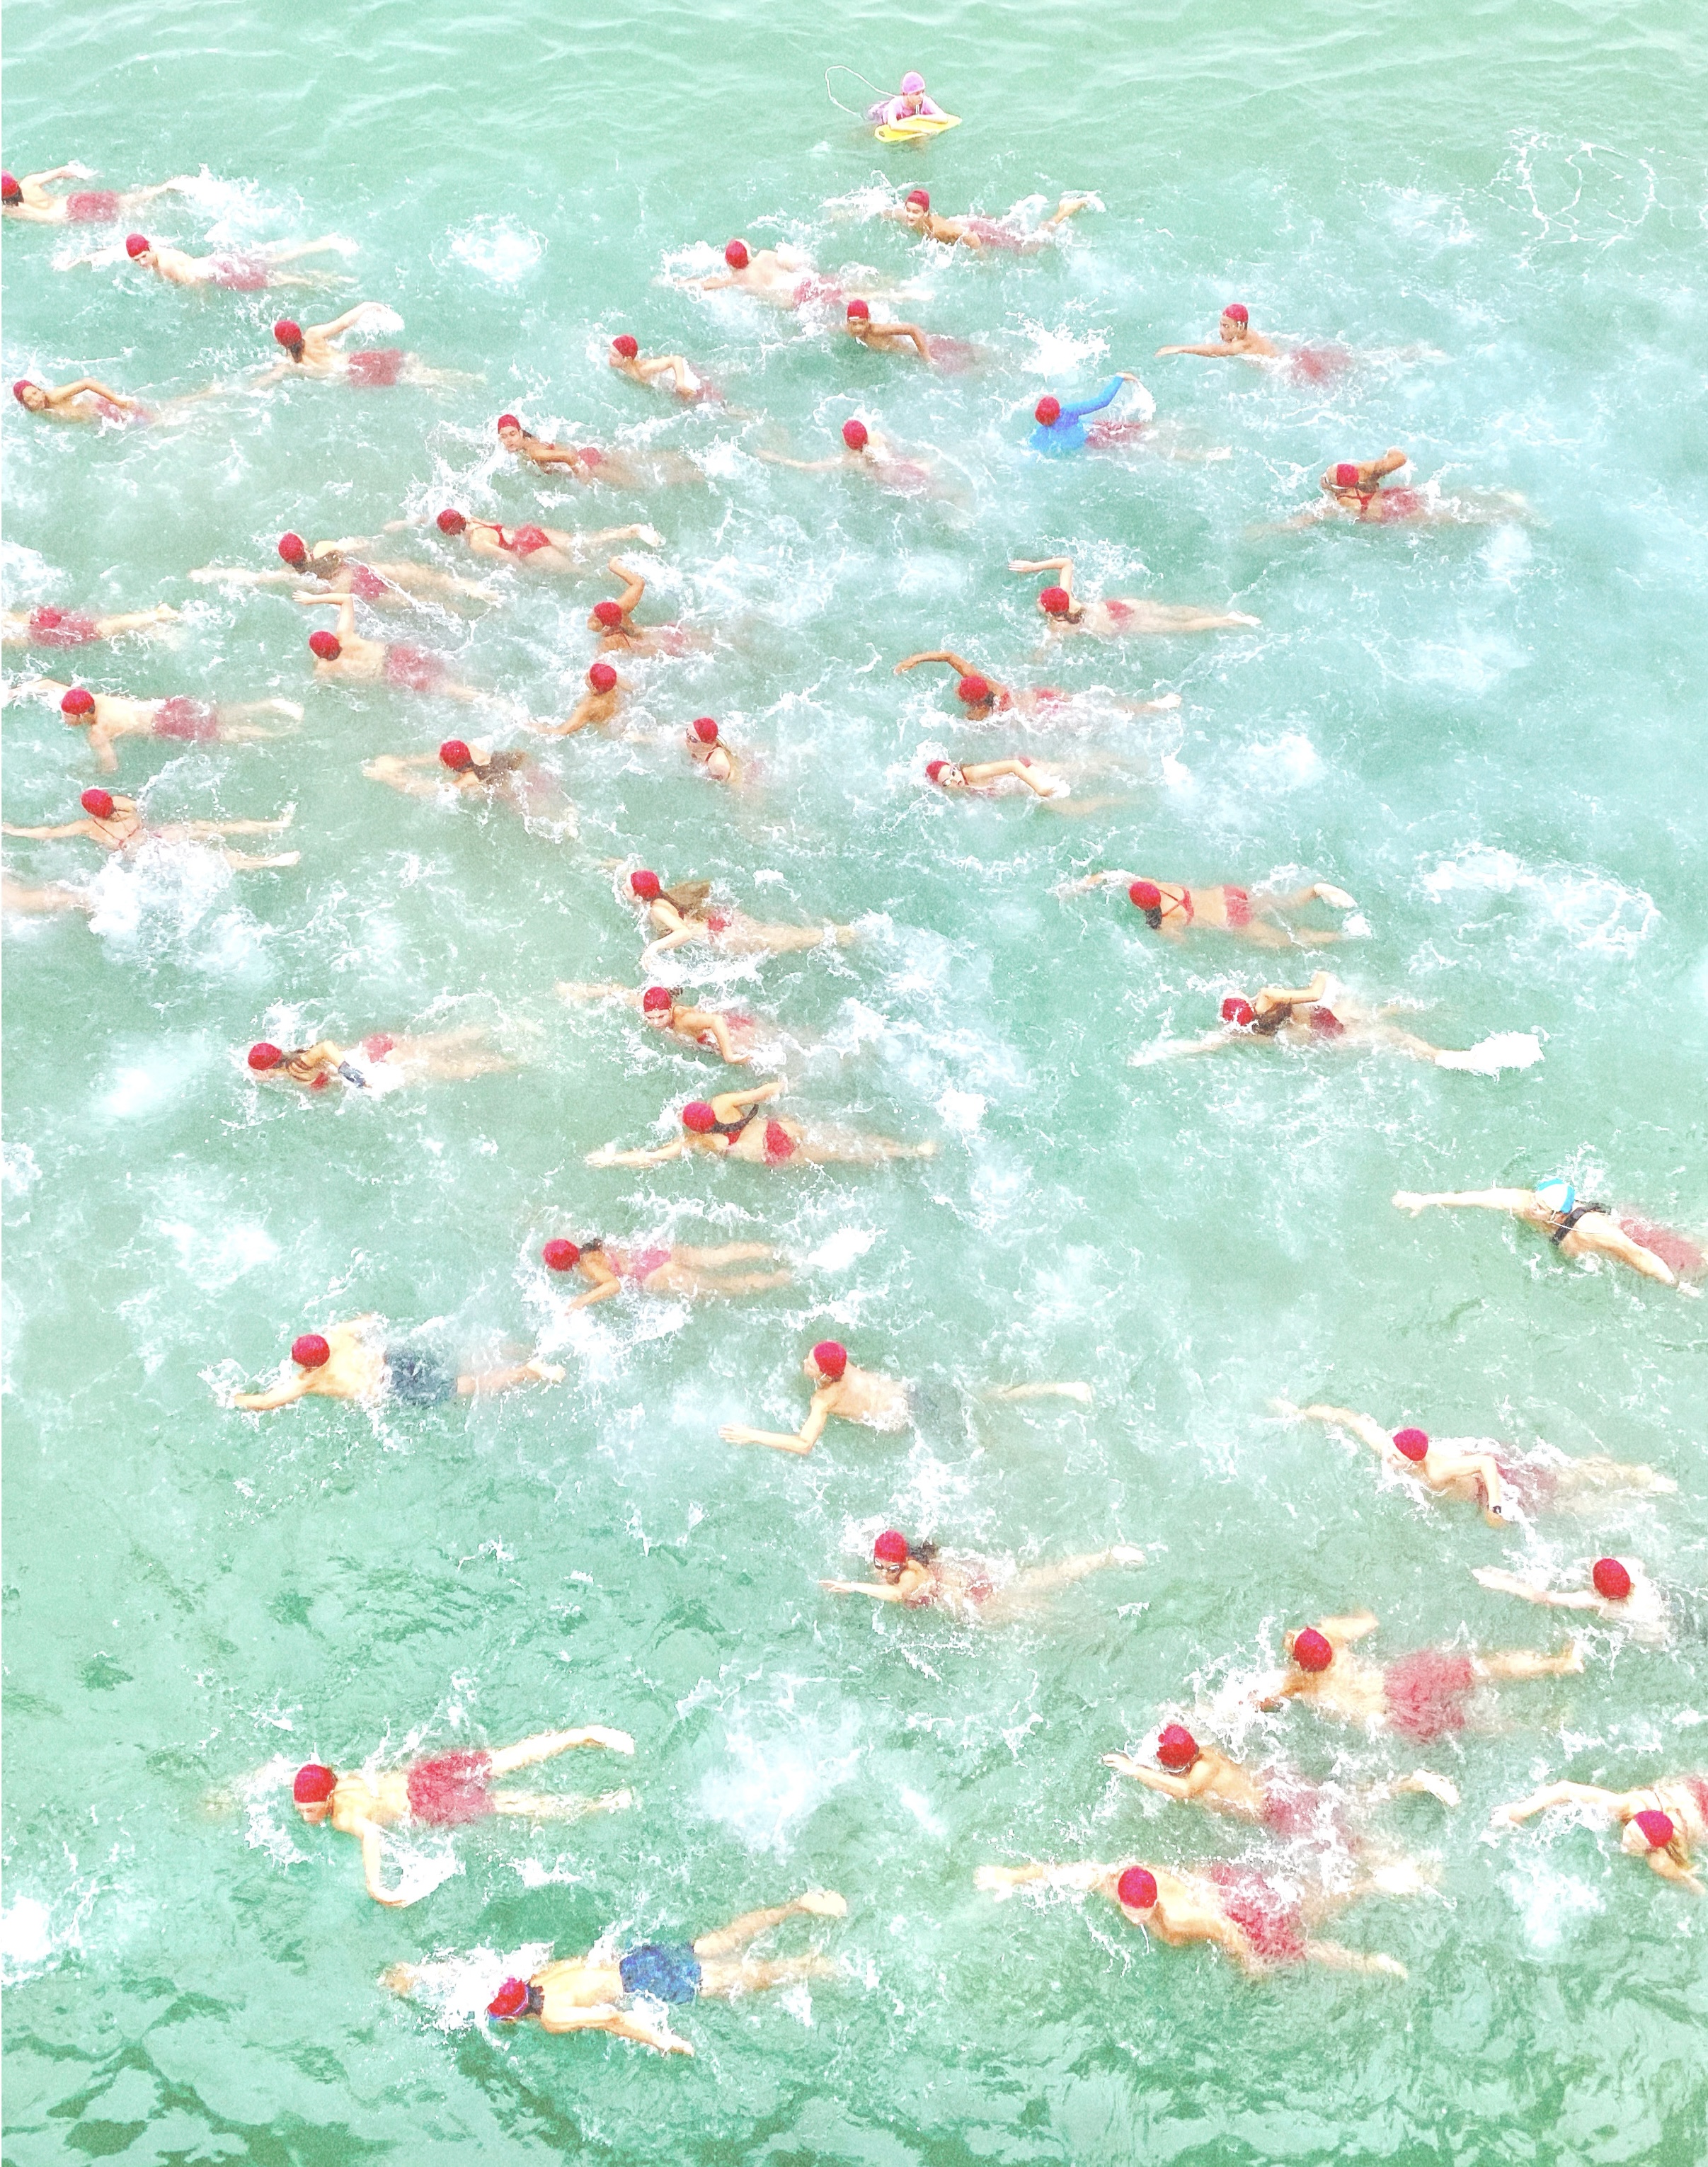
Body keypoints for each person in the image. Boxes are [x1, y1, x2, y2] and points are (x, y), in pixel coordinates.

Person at [385, 1889, 849, 2054]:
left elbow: (610, 2019)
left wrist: (662, 2039)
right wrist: (422, 1973)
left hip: (650, 1983)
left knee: (743, 1978)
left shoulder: (551, 2015)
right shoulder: (541, 1978)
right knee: (722, 1940)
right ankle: (795, 1906)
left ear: (511, 2017)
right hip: (635, 1959)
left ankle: (810, 1965)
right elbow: (482, 1968)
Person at [287, 1727, 636, 1906]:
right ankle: (581, 1735)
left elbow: (372, 1835)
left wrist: (374, 1885)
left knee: (509, 1804)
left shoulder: (340, 1819)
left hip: (426, 1803)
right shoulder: (344, 1780)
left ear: (328, 1798)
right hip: (422, 1775)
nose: (306, 1817)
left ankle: (598, 1806)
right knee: (506, 1759)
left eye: (310, 1809)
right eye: (301, 1810)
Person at [973, 1857, 1415, 1979]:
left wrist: (1251, 1967)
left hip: (1235, 1914)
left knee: (1300, 1946)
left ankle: (1369, 1962)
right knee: (1302, 1906)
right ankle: (1370, 1882)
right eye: (1128, 1906)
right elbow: (1065, 1872)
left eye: (1135, 1911)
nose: (1129, 1915)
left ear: (1147, 1906)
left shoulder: (1180, 1918)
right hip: (1226, 1885)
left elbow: (1226, 1931)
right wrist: (1012, 1877)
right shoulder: (1119, 1878)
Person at [1280, 1400, 1676, 1528]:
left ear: (1414, 1459)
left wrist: (1495, 1507)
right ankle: (1630, 1479)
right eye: (1392, 1451)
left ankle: (1636, 1482)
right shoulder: (1391, 1445)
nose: (1389, 1457)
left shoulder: (1435, 1471)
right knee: (1563, 1481)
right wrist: (1300, 1413)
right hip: (1481, 1474)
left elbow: (1486, 1463)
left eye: (1397, 1457)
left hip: (1499, 1482)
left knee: (1563, 1492)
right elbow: (1352, 1419)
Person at [1254, 1611, 1583, 1744]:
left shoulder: (1299, 1682)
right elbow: (1369, 1620)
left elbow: (1259, 1700)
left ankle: (1545, 1726)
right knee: (1482, 1667)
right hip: (1403, 1681)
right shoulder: (1336, 1645)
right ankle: (1559, 1664)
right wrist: (1329, 1623)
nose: (1292, 1631)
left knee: (1472, 1721)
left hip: (1396, 1715)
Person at [1105, 1724, 1458, 1839]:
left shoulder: (1199, 1774)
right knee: (1343, 1802)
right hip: (1274, 1787)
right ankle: (1410, 1783)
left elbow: (1183, 1791)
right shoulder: (1204, 1753)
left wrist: (1134, 1769)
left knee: (1347, 1817)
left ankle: (1413, 1783)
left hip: (1278, 1807)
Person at [1177, 972, 1542, 1071]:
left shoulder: (1251, 1033)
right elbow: (1316, 992)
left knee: (1377, 1023)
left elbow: (1212, 1042)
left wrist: (1166, 1052)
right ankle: (1443, 1055)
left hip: (1319, 1041)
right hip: (1325, 1018)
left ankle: (1425, 1030)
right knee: (1391, 1031)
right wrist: (1322, 972)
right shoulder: (1270, 996)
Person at [1391, 1177, 1702, 1287]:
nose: (1532, 1209)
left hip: (1634, 1242)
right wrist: (1425, 1200)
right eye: (1535, 1200)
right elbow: (1479, 1197)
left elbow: (1637, 1254)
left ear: (1559, 1213)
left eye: (1540, 1207)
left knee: (1692, 1260)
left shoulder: (1591, 1229)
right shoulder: (1526, 1202)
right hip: (1596, 1246)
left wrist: (1673, 1286)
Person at [226, 1315, 564, 1412]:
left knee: (466, 1387)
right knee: (454, 1361)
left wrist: (234, 1398)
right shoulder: (336, 1336)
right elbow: (369, 1321)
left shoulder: (309, 1381)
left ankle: (528, 1371)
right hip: (395, 1358)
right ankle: (518, 1350)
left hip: (393, 1386)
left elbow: (267, 1402)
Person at [589, 1084, 935, 1172]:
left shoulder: (698, 1143)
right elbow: (766, 1091)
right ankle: (909, 1148)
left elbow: (654, 1157)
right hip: (781, 1130)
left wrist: (614, 1158)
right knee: (844, 1139)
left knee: (841, 1155)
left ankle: (906, 1154)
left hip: (773, 1154)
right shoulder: (723, 1103)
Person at [823, 1526, 1145, 1622]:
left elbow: (896, 1595)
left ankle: (1102, 1617)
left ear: (904, 1563)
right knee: (1044, 1579)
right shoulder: (897, 1562)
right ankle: (1108, 1558)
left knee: (1045, 1613)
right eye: (878, 1566)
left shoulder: (908, 1576)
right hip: (971, 1580)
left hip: (977, 1600)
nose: (882, 1573)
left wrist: (850, 1586)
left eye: (889, 1568)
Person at [13, 676, 301, 773]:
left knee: (226, 734)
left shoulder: (98, 732)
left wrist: (87, 772)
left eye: (67, 715)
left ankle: (277, 734)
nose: (64, 718)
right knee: (223, 713)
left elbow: (110, 767)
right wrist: (15, 692)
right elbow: (49, 684)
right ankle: (272, 704)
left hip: (166, 726)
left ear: (82, 716)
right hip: (164, 705)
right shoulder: (91, 699)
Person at [1488, 1774, 1707, 1892]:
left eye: (1635, 1842)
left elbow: (1691, 1883)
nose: (1626, 1841)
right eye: (1630, 1833)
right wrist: (1520, 1811)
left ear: (1651, 1848)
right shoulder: (1624, 1806)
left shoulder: (1660, 1860)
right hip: (1693, 1790)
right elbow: (1565, 1789)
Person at [4, 787, 298, 871]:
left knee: (216, 859)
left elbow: (49, 833)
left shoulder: (89, 827)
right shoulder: (122, 805)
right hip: (159, 833)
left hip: (147, 854)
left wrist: (14, 831)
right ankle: (273, 825)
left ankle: (272, 861)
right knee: (214, 828)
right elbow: (139, 803)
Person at [624, 867, 855, 966]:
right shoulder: (661, 895)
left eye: (628, 887)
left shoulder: (656, 910)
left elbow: (683, 933)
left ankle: (838, 935)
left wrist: (654, 948)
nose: (624, 888)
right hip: (720, 919)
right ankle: (832, 933)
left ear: (638, 896)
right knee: (775, 935)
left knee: (781, 941)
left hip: (721, 935)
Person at [1057, 869, 1356, 945]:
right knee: (1281, 904)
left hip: (1231, 919)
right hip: (1228, 894)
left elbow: (1183, 944)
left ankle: (1340, 937)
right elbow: (1111, 875)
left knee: (1282, 942)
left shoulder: (1164, 921)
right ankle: (1316, 891)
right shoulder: (1156, 883)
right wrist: (1081, 884)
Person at [193, 531, 494, 606]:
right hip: (369, 572)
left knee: (422, 603)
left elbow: (256, 578)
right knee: (432, 579)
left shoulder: (298, 577)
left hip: (358, 592)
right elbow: (360, 544)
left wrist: (213, 574)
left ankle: (461, 610)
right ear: (305, 546)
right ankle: (476, 590)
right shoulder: (325, 548)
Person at [718, 1339, 910, 1455]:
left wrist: (752, 1435)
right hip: (906, 1394)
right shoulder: (840, 1360)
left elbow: (804, 1445)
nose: (804, 1362)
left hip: (897, 1421)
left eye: (810, 1365)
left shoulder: (825, 1398)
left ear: (826, 1376)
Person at [895, 650, 1182, 726]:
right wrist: (916, 659)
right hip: (1045, 695)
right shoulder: (987, 683)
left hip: (1046, 715)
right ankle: (1151, 705)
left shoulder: (981, 714)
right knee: (1095, 705)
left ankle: (1151, 710)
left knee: (1101, 719)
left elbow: (965, 727)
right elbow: (949, 657)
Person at [1010, 557, 1259, 636]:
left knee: (1179, 628)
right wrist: (1033, 566)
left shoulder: (1059, 626)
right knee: (1171, 610)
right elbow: (1066, 562)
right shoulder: (1067, 595)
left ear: (1053, 611)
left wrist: (1036, 657)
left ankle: (1230, 620)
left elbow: (1047, 648)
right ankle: (1219, 614)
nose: (1039, 602)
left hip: (1122, 624)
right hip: (1119, 607)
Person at [299, 594, 481, 699]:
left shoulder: (326, 668)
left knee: (450, 689)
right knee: (449, 668)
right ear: (334, 639)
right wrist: (312, 598)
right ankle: (476, 681)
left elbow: (320, 687)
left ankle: (490, 702)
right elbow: (346, 599)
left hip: (394, 673)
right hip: (397, 653)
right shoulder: (345, 637)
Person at [246, 1025, 516, 1095]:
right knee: (440, 1042)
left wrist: (351, 1073)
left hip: (379, 1064)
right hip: (374, 1047)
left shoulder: (297, 1067)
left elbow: (326, 1047)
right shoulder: (288, 1061)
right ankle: (492, 1027)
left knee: (450, 1069)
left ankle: (511, 1063)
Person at [1290, 451, 1530, 528]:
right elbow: (1400, 458)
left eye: (1326, 478)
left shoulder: (1340, 503)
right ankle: (1503, 497)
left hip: (1397, 512)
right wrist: (1387, 454)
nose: (1323, 478)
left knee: (1459, 517)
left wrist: (1272, 529)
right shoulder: (1364, 472)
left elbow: (1306, 520)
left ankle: (1516, 515)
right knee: (1452, 501)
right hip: (1398, 495)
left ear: (1337, 488)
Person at [363, 740, 571, 826]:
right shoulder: (473, 750)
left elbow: (426, 790)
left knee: (552, 824)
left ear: (450, 767)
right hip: (530, 774)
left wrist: (388, 778)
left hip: (518, 797)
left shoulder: (467, 782)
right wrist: (404, 762)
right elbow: (443, 755)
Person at [1472, 1557, 1671, 1646]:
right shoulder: (1635, 1573)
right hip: (1665, 1614)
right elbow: (1637, 1563)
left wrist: (1500, 1582)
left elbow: (1544, 1598)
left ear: (1598, 1591)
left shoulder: (1596, 1600)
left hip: (1651, 1636)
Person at [542, 1235, 788, 1305]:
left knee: (721, 1287)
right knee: (716, 1256)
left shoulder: (589, 1267)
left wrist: (581, 1301)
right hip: (657, 1253)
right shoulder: (588, 1247)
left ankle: (778, 1279)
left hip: (657, 1274)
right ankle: (776, 1251)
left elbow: (613, 1285)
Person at [556, 981, 763, 1063]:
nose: (655, 1022)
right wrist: (581, 993)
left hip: (733, 1031)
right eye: (651, 1018)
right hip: (703, 1039)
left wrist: (729, 1054)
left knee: (762, 1051)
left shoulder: (684, 1018)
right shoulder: (646, 1007)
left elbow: (717, 1021)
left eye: (661, 1017)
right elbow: (617, 991)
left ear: (670, 1009)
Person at [256, 309, 472, 388]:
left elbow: (266, 380)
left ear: (281, 343)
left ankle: (457, 382)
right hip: (357, 361)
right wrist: (367, 306)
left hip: (353, 377)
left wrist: (226, 391)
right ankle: (466, 379)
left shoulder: (289, 364)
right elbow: (343, 324)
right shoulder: (312, 335)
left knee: (412, 377)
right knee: (412, 363)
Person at [430, 508, 660, 577]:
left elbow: (508, 556)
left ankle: (622, 573)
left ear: (451, 532)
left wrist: (526, 576)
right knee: (584, 543)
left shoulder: (476, 543)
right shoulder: (474, 520)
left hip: (529, 549)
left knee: (580, 573)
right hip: (530, 533)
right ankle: (630, 531)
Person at [495, 412, 701, 489]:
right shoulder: (530, 440)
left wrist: (582, 474)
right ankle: (681, 456)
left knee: (641, 483)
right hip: (589, 451)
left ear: (521, 432)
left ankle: (694, 475)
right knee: (644, 460)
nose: (509, 440)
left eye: (512, 434)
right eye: (504, 436)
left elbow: (568, 456)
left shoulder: (532, 452)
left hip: (589, 463)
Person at [755, 416, 938, 495]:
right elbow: (897, 452)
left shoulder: (851, 460)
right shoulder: (877, 436)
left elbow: (808, 467)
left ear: (849, 444)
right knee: (939, 487)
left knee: (936, 494)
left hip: (895, 484)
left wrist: (775, 458)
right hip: (911, 466)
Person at [121, 229, 348, 291]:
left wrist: (200, 305)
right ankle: (324, 243)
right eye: (137, 261)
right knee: (275, 261)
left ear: (149, 248)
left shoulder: (166, 265)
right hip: (219, 261)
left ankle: (323, 282)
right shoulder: (160, 252)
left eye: (143, 257)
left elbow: (195, 282)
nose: (142, 263)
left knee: (276, 280)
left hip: (222, 274)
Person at [881, 188, 1096, 252]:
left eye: (916, 212)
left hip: (976, 230)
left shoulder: (939, 231)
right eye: (909, 210)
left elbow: (972, 237)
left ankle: (1063, 211)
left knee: (1027, 247)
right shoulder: (905, 217)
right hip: (968, 222)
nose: (910, 215)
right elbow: (885, 211)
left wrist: (984, 262)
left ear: (926, 213)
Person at [1, 163, 192, 225]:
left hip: (72, 215)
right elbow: (62, 171)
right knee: (125, 201)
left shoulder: (11, 209)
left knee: (129, 215)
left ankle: (174, 214)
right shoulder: (29, 182)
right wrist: (81, 174)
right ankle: (163, 188)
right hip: (75, 200)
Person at [680, 239, 845, 311]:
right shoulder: (765, 255)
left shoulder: (740, 279)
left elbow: (707, 284)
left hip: (795, 301)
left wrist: (679, 283)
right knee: (846, 294)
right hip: (807, 282)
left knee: (842, 301)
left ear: (730, 265)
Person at [588, 559, 699, 657]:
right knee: (699, 638)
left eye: (596, 615)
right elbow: (638, 583)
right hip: (660, 633)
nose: (593, 613)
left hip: (656, 648)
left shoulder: (610, 642)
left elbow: (597, 666)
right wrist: (614, 567)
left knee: (695, 646)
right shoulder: (621, 607)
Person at [1029, 376, 1153, 454]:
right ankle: (1150, 431)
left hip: (1086, 445)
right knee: (1131, 432)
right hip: (1091, 433)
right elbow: (1102, 401)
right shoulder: (1068, 412)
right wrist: (1119, 378)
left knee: (1128, 445)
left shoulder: (1038, 435)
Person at [843, 299, 977, 371]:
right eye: (854, 324)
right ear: (848, 322)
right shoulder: (849, 329)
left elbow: (912, 329)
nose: (858, 328)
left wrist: (927, 358)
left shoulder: (876, 330)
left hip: (919, 350)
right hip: (909, 354)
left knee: (961, 365)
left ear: (869, 319)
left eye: (862, 323)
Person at [4, 603, 179, 648]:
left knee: (101, 629)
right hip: (39, 617)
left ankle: (157, 615)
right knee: (99, 625)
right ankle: (150, 627)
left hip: (42, 631)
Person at [11, 374, 166, 425]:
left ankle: (188, 402)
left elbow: (87, 383)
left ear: (40, 390)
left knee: (159, 421)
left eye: (35, 393)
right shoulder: (37, 412)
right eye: (29, 399)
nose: (36, 399)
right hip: (99, 421)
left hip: (106, 409)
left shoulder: (54, 396)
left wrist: (118, 401)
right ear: (25, 405)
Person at [607, 334, 719, 402]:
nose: (610, 358)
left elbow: (676, 359)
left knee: (714, 403)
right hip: (670, 383)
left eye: (614, 355)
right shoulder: (625, 366)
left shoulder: (643, 370)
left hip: (686, 382)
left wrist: (680, 384)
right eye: (610, 352)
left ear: (626, 359)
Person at [1156, 302, 1280, 362]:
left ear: (1240, 327)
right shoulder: (1245, 331)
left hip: (1282, 372)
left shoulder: (1241, 345)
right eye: (1221, 324)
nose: (1221, 330)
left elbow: (1215, 351)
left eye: (1226, 326)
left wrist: (1180, 349)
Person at [533, 663, 626, 739]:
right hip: (619, 722)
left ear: (594, 689)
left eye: (588, 677)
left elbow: (562, 731)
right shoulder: (613, 684)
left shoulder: (589, 707)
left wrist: (530, 726)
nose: (585, 675)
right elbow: (633, 688)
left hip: (608, 734)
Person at [924, 756, 1070, 802]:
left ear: (953, 766)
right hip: (1019, 784)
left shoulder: (972, 773)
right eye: (948, 782)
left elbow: (1013, 765)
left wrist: (1039, 788)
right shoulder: (955, 793)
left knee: (1069, 806)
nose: (956, 780)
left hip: (1027, 771)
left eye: (953, 772)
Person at [866, 70, 946, 127]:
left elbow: (944, 118)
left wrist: (918, 118)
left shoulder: (924, 101)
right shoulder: (895, 105)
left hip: (908, 117)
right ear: (905, 94)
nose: (921, 96)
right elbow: (893, 125)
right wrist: (919, 129)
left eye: (923, 92)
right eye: (917, 94)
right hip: (879, 114)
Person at [684, 714, 745, 786]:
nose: (686, 740)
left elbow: (728, 787)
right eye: (687, 733)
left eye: (692, 739)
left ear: (705, 744)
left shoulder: (717, 764)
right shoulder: (691, 743)